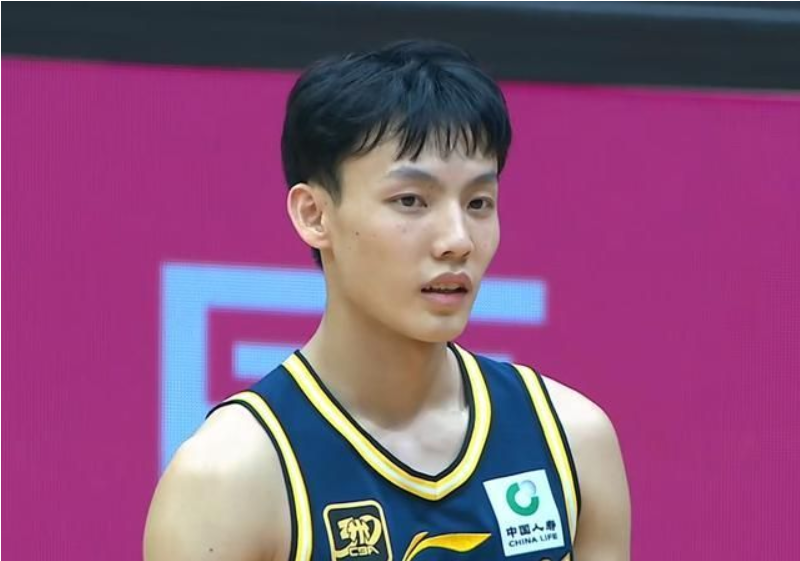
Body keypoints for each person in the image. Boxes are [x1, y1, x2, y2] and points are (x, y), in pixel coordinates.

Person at [144, 39, 630, 561]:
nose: (457, 240)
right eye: (411, 201)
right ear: (314, 215)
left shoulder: (570, 443)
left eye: (478, 202)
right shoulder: (229, 480)